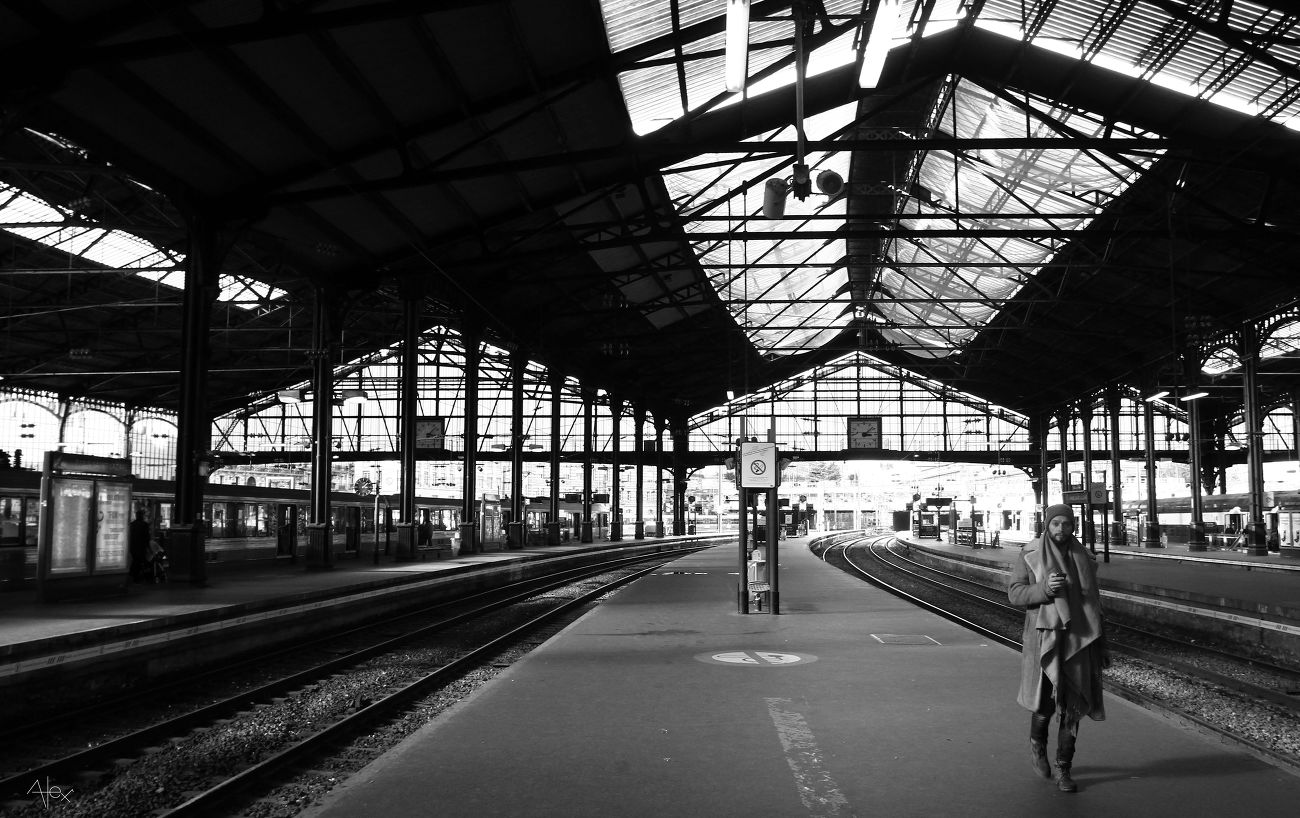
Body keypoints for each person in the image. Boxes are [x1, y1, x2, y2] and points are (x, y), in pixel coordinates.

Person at [1008, 503, 1108, 793]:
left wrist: (1103, 644)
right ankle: (1037, 744)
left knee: (1073, 705)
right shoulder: (1030, 555)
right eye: (1055, 524)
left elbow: (1095, 605)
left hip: (1080, 638)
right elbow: (1014, 593)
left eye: (1066, 524)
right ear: (1046, 525)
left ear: (1073, 526)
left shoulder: (1085, 558)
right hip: (1044, 639)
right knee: (1045, 703)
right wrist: (1044, 590)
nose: (1061, 529)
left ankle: (1065, 768)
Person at [128, 507, 151, 582]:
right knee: (139, 561)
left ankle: (133, 574)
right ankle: (135, 576)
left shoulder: (132, 524)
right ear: (142, 516)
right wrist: (148, 547)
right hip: (141, 547)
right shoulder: (144, 525)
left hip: (132, 547)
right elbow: (146, 537)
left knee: (136, 560)